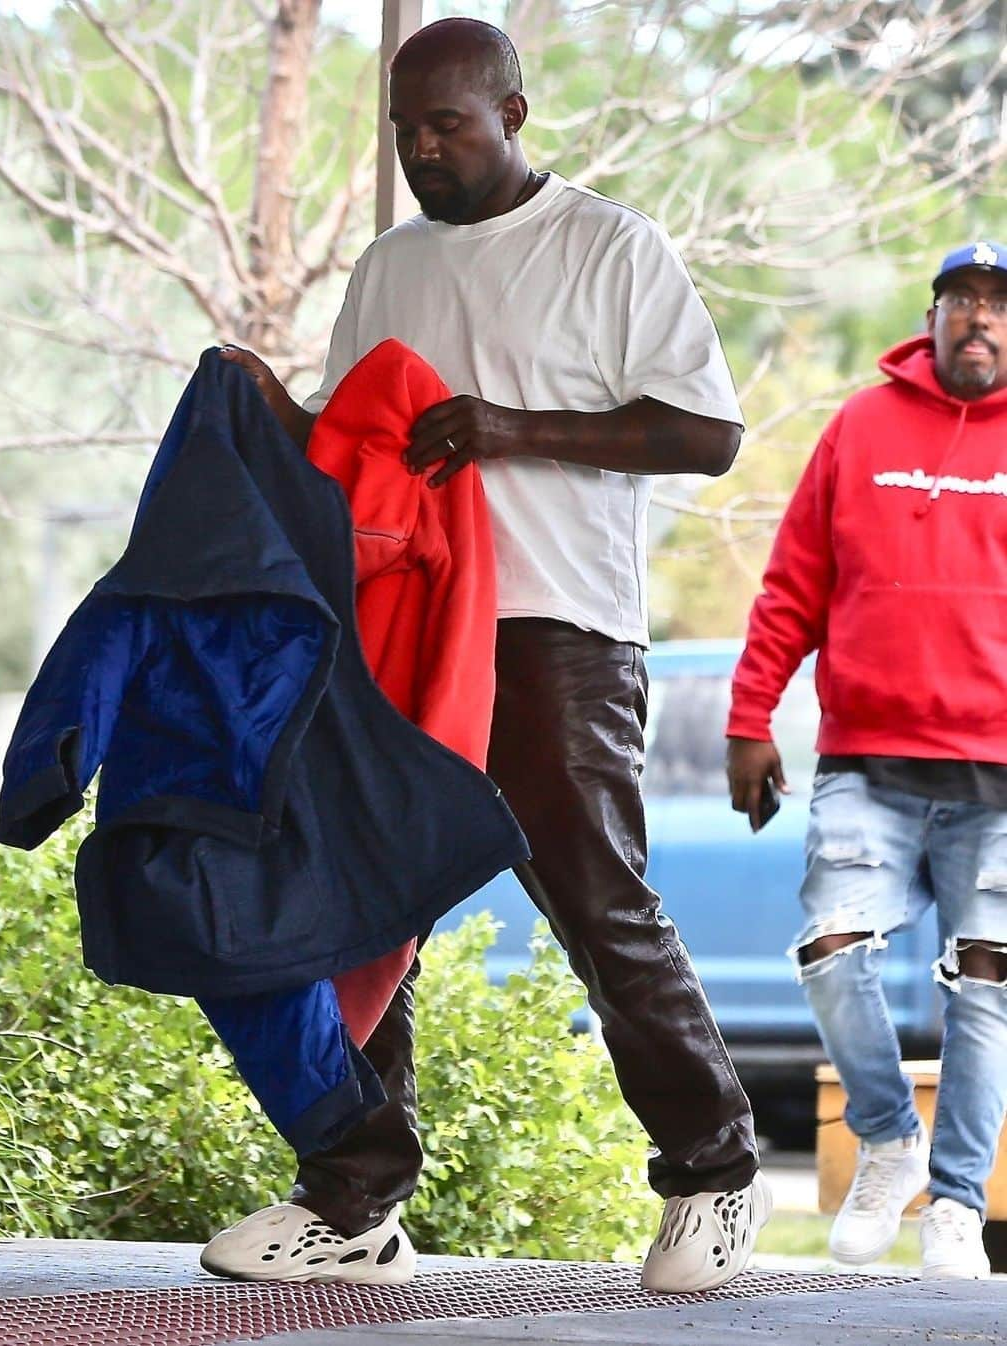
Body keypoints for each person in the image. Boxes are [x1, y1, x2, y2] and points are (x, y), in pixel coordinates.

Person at [213, 17, 769, 1293]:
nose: (422, 149)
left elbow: (709, 433)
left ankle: (714, 1171)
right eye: (406, 129)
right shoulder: (390, 265)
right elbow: (349, 448)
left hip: (557, 628)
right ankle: (355, 1201)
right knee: (357, 905)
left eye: (447, 125)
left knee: (594, 900)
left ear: (512, 116)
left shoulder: (609, 245)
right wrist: (269, 404)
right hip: (401, 626)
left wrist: (513, 428)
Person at [726, 240, 1007, 1281]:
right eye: (961, 299)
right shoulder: (861, 426)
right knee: (831, 945)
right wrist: (749, 716)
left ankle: (959, 1202)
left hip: (998, 777)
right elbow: (792, 582)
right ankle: (889, 1138)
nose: (979, 317)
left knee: (988, 985)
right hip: (867, 762)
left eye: (997, 303)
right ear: (932, 317)